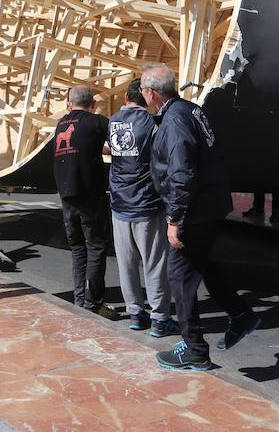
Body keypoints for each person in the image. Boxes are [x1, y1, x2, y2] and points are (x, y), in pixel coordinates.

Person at [142, 63, 259, 371]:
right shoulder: (190, 110)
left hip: (193, 211)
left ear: (151, 92)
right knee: (201, 263)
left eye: (143, 90)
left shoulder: (175, 121)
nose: (143, 95)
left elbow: (182, 173)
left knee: (179, 277)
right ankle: (241, 315)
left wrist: (175, 219)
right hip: (209, 205)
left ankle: (194, 348)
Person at [108, 80, 176, 335]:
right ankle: (160, 317)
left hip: (119, 202)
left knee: (126, 263)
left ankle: (135, 313)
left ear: (125, 97)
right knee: (154, 262)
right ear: (146, 97)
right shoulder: (152, 123)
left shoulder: (113, 121)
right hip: (146, 202)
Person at [54, 85, 115, 319]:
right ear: (93, 104)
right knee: (96, 246)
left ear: (70, 104)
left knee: (78, 248)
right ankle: (95, 302)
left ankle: (79, 298)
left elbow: (78, 144)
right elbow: (119, 143)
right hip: (90, 194)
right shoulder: (97, 122)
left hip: (66, 195)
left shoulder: (61, 124)